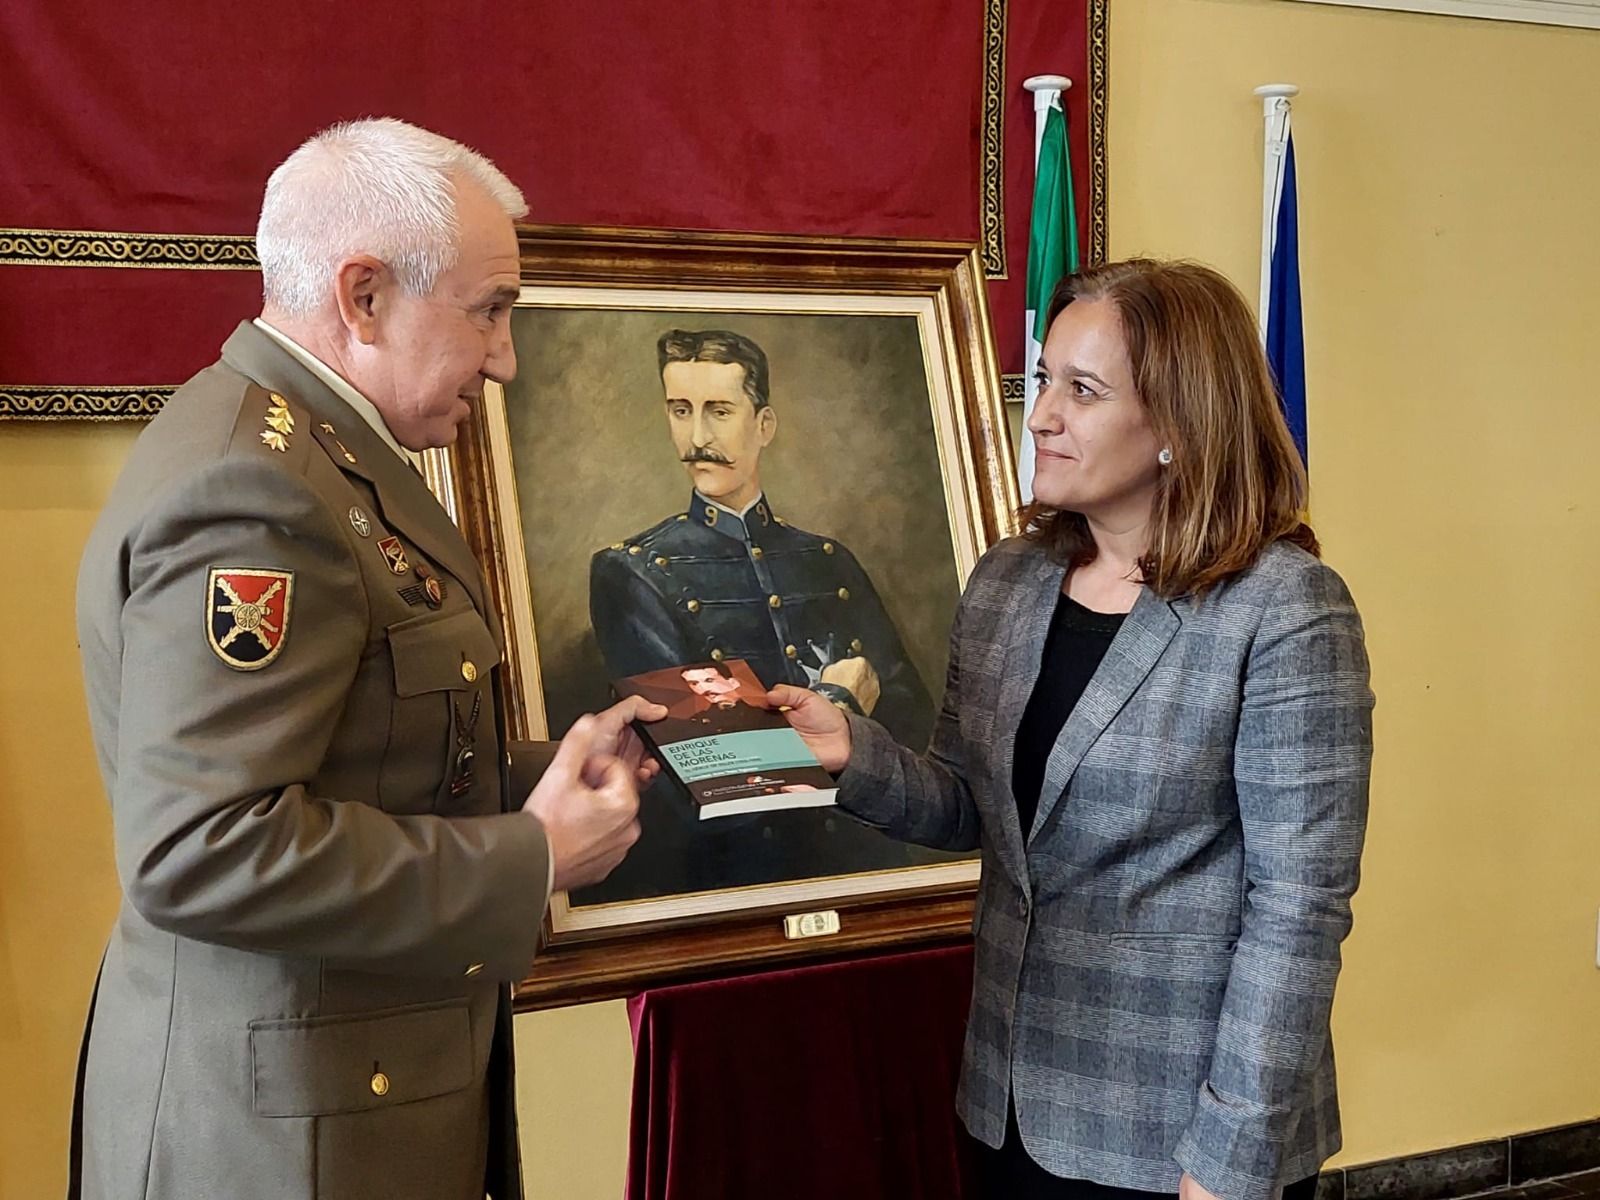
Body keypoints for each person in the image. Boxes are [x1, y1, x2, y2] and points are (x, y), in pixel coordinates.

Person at [69, 118, 663, 1200]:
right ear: (365, 297)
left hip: (341, 1094)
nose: (505, 357)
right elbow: (200, 847)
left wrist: (542, 776)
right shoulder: (255, 488)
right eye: (490, 309)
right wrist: (528, 859)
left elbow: (361, 751)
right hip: (279, 1132)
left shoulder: (320, 455)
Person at [773, 259, 1374, 1200]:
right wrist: (852, 753)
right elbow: (979, 811)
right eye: (1044, 378)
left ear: (1179, 426)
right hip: (1008, 1101)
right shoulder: (1008, 581)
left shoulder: (1286, 609)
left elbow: (1298, 916)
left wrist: (1228, 1161)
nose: (1042, 413)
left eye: (1082, 391)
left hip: (1180, 1136)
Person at [589, 327, 934, 749]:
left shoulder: (830, 561)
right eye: (681, 411)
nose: (697, 439)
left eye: (719, 412)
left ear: (764, 425)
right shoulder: (630, 574)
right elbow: (706, 757)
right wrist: (838, 703)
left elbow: (915, 729)